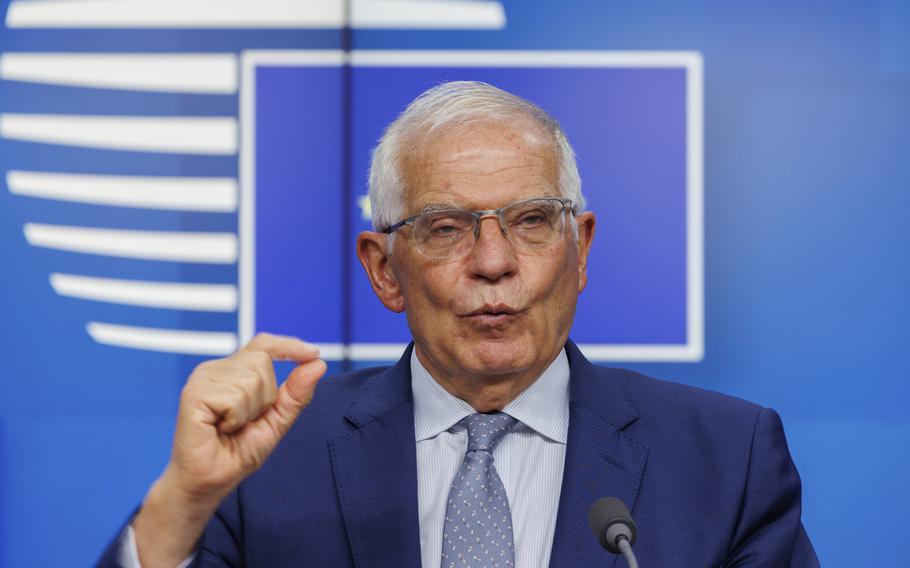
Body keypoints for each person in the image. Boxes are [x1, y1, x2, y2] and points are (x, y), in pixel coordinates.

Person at [98, 81, 818, 567]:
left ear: (581, 249)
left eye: (533, 221)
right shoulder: (269, 462)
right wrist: (182, 504)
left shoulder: (728, 458)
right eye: (446, 228)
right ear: (384, 270)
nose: (495, 262)